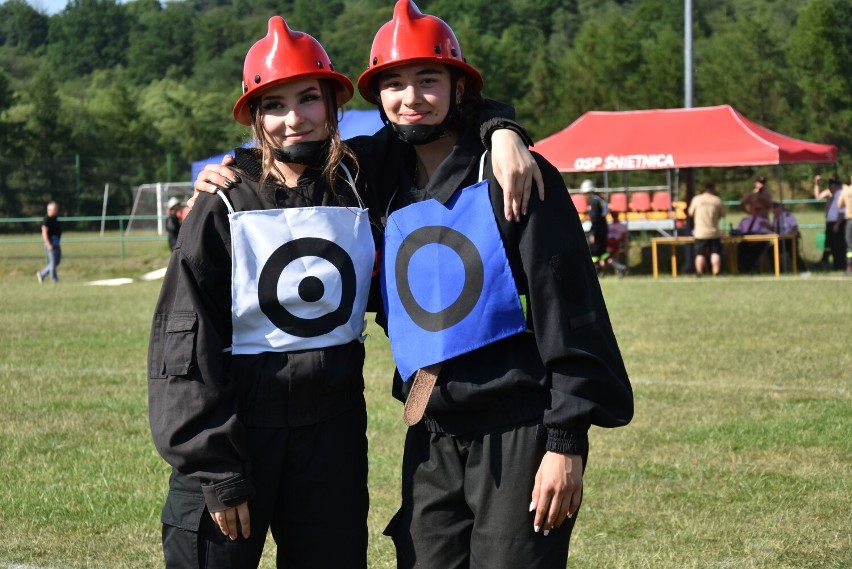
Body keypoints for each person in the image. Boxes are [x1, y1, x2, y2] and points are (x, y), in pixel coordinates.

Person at [154, 15, 542, 569]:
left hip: (331, 436)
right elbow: (181, 348)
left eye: (308, 98)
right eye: (274, 105)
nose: (294, 119)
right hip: (237, 437)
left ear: (333, 104)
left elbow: (430, 114)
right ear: (254, 117)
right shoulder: (225, 199)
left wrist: (502, 131)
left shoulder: (363, 173)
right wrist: (215, 468)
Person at [357, 2, 633, 568]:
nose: (410, 97)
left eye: (428, 79)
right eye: (393, 83)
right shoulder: (378, 173)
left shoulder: (518, 176)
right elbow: (298, 152)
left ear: (459, 87)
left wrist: (566, 444)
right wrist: (232, 169)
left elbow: (570, 312)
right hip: (431, 431)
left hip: (519, 429)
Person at [688, 182, 726, 276]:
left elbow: (690, 213)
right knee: (715, 252)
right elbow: (723, 214)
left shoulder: (696, 199)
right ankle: (716, 272)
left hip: (700, 233)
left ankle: (699, 272)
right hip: (714, 232)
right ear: (713, 189)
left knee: (700, 253)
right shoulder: (717, 200)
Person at [814, 174, 845, 270]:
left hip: (836, 223)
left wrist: (837, 224)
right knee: (829, 244)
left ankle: (838, 264)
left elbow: (841, 211)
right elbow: (818, 197)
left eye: (830, 185)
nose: (829, 188)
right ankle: (826, 261)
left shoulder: (840, 194)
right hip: (831, 223)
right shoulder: (833, 194)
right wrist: (816, 184)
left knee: (837, 245)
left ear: (835, 185)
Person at [581, 179, 611, 274]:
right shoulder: (598, 199)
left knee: (593, 252)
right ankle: (619, 267)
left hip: (597, 229)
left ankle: (595, 272)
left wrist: (592, 233)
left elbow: (595, 219)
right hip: (603, 228)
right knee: (602, 253)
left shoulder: (593, 201)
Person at [37, 201, 61, 284]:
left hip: (56, 242)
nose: (56, 210)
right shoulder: (47, 219)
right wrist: (48, 244)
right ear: (49, 210)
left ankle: (42, 274)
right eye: (55, 209)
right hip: (50, 243)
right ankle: (54, 279)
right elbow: (44, 232)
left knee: (56, 261)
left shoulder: (55, 218)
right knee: (53, 262)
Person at [835, 181, 852, 273]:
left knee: (850, 245)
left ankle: (849, 266)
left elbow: (839, 205)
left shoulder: (846, 191)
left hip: (850, 220)